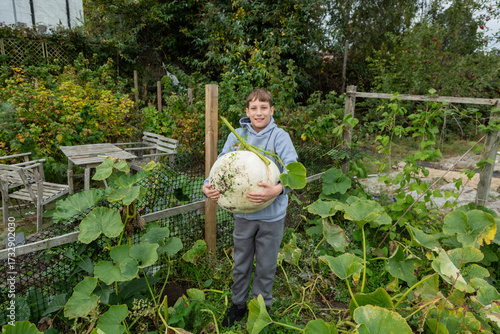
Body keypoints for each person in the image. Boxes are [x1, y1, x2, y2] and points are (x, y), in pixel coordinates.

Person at [202, 88, 299, 327]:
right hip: (243, 214)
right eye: (254, 108)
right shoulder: (237, 135)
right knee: (241, 262)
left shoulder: (279, 137)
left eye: (264, 108)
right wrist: (208, 186)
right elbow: (221, 165)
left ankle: (260, 308)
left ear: (271, 110)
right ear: (247, 111)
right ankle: (238, 305)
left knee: (266, 265)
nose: (259, 113)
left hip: (272, 216)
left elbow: (294, 171)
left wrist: (276, 190)